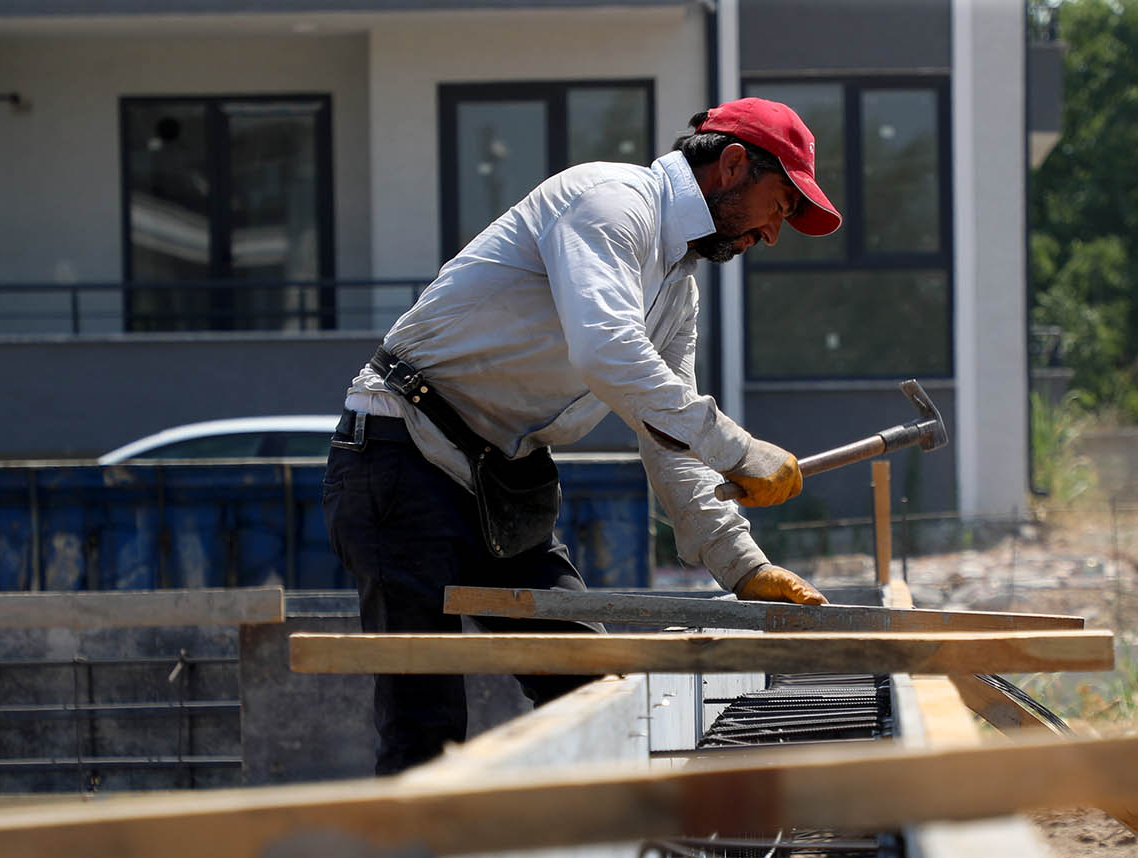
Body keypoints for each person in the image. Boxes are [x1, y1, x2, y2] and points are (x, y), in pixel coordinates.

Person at [323, 98, 843, 774]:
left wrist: (742, 564)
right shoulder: (610, 201)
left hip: (499, 480)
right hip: (404, 452)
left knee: (590, 683)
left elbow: (668, 437)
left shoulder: (675, 290)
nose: (772, 234)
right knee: (425, 725)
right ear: (734, 165)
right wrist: (739, 449)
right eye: (779, 206)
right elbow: (606, 351)